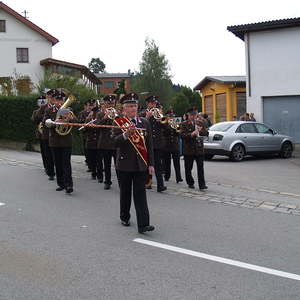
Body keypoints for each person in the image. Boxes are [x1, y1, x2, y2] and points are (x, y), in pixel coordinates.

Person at [112, 93, 155, 234]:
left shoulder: (144, 123)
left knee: (140, 194)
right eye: (130, 106)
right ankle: (124, 216)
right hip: (124, 164)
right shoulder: (118, 122)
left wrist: (151, 164)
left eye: (135, 105)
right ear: (124, 109)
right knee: (125, 193)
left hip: (140, 164)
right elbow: (114, 142)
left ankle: (143, 224)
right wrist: (126, 134)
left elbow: (149, 146)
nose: (133, 108)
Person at [43, 91, 77, 194]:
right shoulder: (49, 110)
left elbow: (77, 122)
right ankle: (61, 184)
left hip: (66, 141)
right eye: (58, 100)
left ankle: (69, 185)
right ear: (54, 100)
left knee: (66, 163)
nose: (60, 102)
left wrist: (71, 119)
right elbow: (45, 123)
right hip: (55, 141)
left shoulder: (69, 110)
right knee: (57, 163)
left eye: (62, 100)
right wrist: (55, 122)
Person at [141, 95, 167, 192]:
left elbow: (166, 128)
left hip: (157, 143)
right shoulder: (142, 113)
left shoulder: (158, 114)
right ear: (147, 104)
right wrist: (147, 117)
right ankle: (148, 183)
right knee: (148, 163)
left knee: (158, 164)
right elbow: (140, 126)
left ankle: (160, 185)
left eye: (155, 103)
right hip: (147, 143)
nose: (154, 105)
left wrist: (161, 121)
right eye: (152, 103)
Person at [180, 108, 208, 190]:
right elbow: (182, 135)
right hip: (189, 149)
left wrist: (201, 130)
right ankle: (190, 182)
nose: (193, 117)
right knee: (188, 168)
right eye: (191, 115)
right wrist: (191, 134)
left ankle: (202, 184)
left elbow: (206, 133)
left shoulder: (200, 122)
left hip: (199, 148)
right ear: (188, 115)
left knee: (200, 167)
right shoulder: (183, 124)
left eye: (194, 115)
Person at [95, 95, 117, 190]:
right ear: (105, 104)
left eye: (112, 103)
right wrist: (105, 117)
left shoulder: (118, 114)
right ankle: (107, 181)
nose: (110, 105)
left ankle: (121, 182)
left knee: (118, 164)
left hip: (116, 143)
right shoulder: (100, 114)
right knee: (107, 164)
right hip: (104, 143)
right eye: (108, 103)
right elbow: (97, 126)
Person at [161, 109, 183, 183]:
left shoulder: (176, 123)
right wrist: (168, 124)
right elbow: (165, 132)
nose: (171, 117)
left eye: (172, 116)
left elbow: (179, 133)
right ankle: (167, 176)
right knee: (167, 163)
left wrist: (176, 127)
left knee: (177, 162)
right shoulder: (164, 123)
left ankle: (178, 177)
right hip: (166, 145)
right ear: (166, 116)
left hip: (175, 145)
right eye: (170, 116)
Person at [84, 100, 103, 182]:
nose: (95, 114)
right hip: (90, 142)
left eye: (96, 112)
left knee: (99, 160)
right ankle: (93, 173)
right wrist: (87, 122)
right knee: (91, 160)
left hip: (98, 142)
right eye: (94, 112)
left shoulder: (99, 120)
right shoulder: (88, 119)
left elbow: (101, 128)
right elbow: (84, 130)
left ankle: (100, 176)